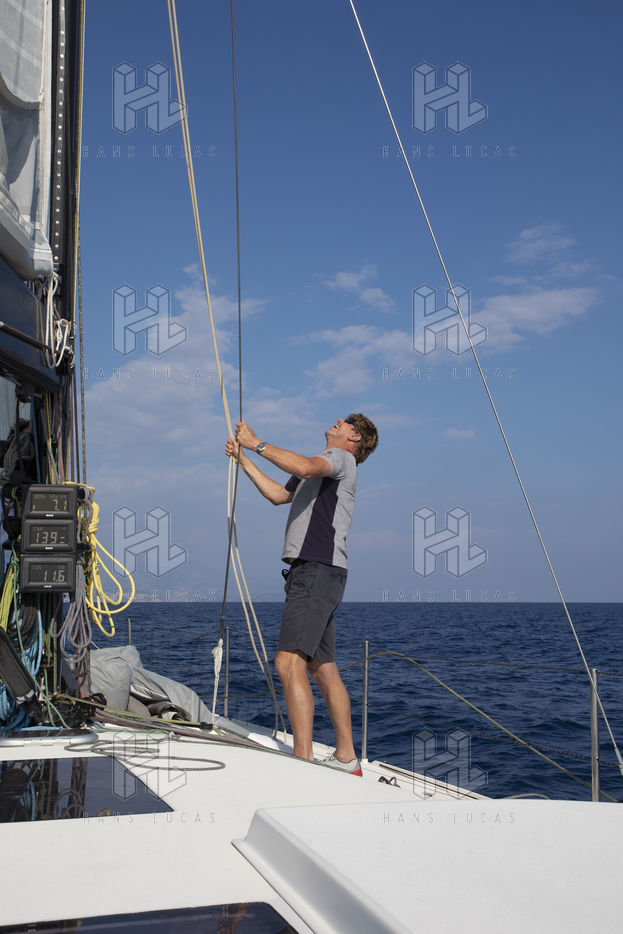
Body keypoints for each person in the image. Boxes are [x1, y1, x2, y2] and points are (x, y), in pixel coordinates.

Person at [225, 414, 378, 775]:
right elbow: (279, 495)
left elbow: (306, 466)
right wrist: (244, 460)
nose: (337, 420)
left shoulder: (338, 459)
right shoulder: (321, 468)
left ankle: (302, 761)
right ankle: (346, 758)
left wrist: (256, 443)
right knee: (321, 666)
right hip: (322, 574)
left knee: (287, 663)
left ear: (354, 437)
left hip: (315, 571)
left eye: (346, 421)